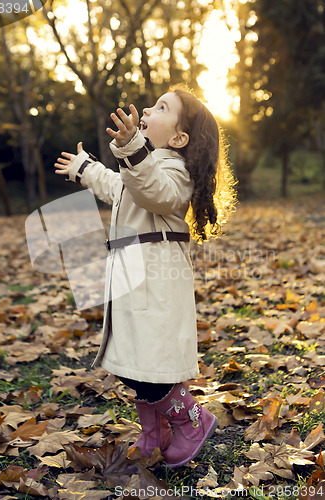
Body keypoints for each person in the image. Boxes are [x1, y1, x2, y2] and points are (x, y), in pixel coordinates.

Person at [54, 86, 237, 468]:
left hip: (155, 282)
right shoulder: (142, 167)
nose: (149, 110)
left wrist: (134, 146)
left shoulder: (173, 170)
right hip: (131, 279)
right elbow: (119, 187)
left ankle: (192, 421)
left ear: (178, 137)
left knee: (152, 365)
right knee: (134, 362)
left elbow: (155, 192)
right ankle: (156, 433)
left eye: (160, 108)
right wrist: (85, 169)